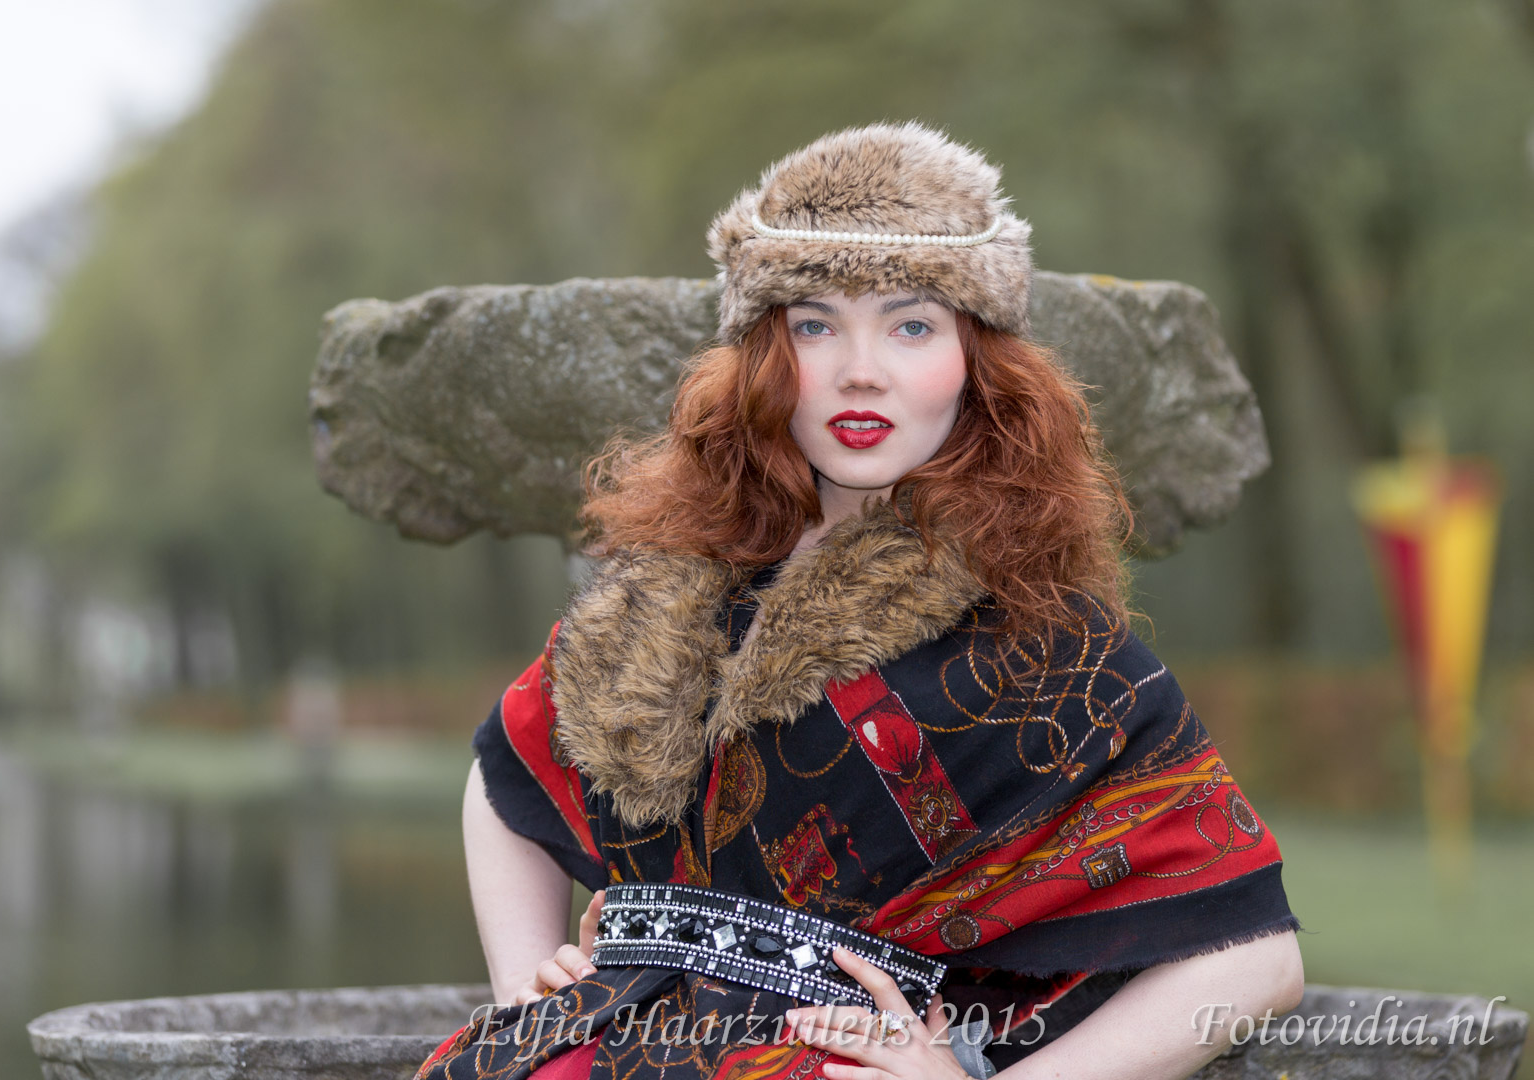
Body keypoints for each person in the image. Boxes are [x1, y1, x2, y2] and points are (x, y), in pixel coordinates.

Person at [417, 121, 1303, 1080]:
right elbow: (506, 776)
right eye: (814, 325)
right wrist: (526, 991)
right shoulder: (661, 593)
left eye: (911, 325)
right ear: (763, 354)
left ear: (976, 359)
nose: (860, 370)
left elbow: (1255, 960)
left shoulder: (1042, 642)